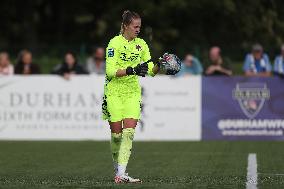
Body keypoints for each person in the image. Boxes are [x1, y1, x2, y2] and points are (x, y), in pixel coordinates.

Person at [102, 10, 160, 183]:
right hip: (113, 92)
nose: (138, 30)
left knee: (128, 133)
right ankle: (117, 168)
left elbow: (150, 71)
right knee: (116, 135)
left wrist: (160, 65)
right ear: (126, 26)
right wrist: (131, 70)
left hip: (132, 93)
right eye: (135, 26)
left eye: (139, 27)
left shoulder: (142, 44)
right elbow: (110, 72)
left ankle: (121, 173)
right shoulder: (114, 43)